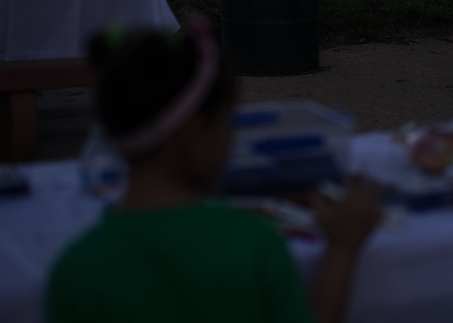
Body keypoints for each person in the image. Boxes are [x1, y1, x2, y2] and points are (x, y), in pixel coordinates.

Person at [46, 18, 381, 323]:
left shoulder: (76, 267)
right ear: (194, 133)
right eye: (227, 124)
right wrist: (342, 248)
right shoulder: (252, 246)